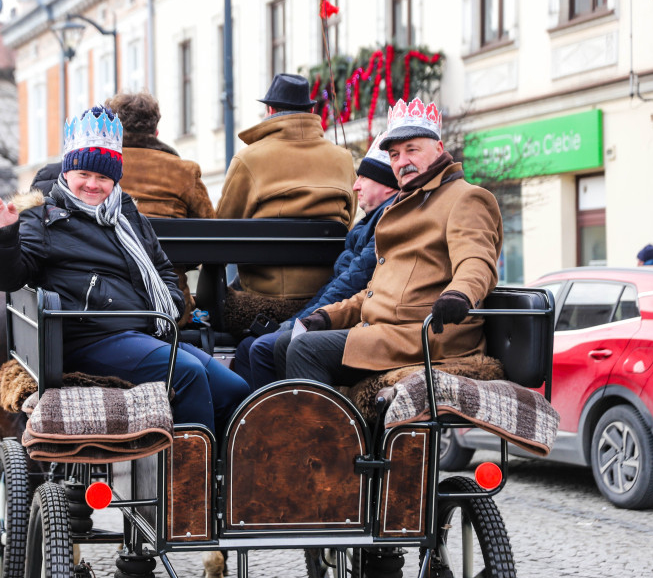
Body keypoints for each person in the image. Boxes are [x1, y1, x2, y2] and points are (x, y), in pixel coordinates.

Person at [0, 105, 249, 436]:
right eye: (84, 175)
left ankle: (221, 476)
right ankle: (187, 480)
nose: (93, 185)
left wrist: (172, 306)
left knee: (235, 389)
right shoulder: (42, 219)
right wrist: (3, 237)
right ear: (67, 173)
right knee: (189, 373)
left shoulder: (126, 214)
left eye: (103, 177)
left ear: (114, 178)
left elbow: (160, 267)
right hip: (87, 338)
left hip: (147, 332)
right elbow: (7, 277)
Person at [281, 97, 503, 386]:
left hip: (428, 337)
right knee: (286, 342)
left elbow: (476, 261)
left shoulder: (465, 197)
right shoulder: (404, 204)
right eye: (395, 155)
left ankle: (323, 432)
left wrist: (459, 294)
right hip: (386, 333)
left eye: (412, 150)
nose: (403, 162)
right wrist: (328, 315)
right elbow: (377, 292)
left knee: (304, 349)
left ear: (438, 149)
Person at [232, 133, 400, 390]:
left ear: (388, 186)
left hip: (360, 322)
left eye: (364, 178)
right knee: (250, 346)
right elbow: (338, 284)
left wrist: (299, 322)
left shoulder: (383, 222)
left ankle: (274, 425)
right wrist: (299, 319)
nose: (355, 186)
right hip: (341, 313)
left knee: (266, 347)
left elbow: (350, 285)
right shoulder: (368, 222)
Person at [215, 72, 356, 321]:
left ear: (270, 110)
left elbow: (222, 232)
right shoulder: (343, 158)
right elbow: (350, 221)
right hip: (326, 294)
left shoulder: (249, 159)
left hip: (265, 298)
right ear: (309, 110)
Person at [105, 91, 216, 322]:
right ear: (156, 132)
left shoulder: (99, 170)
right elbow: (212, 237)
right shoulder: (185, 171)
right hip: (171, 309)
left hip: (108, 306)